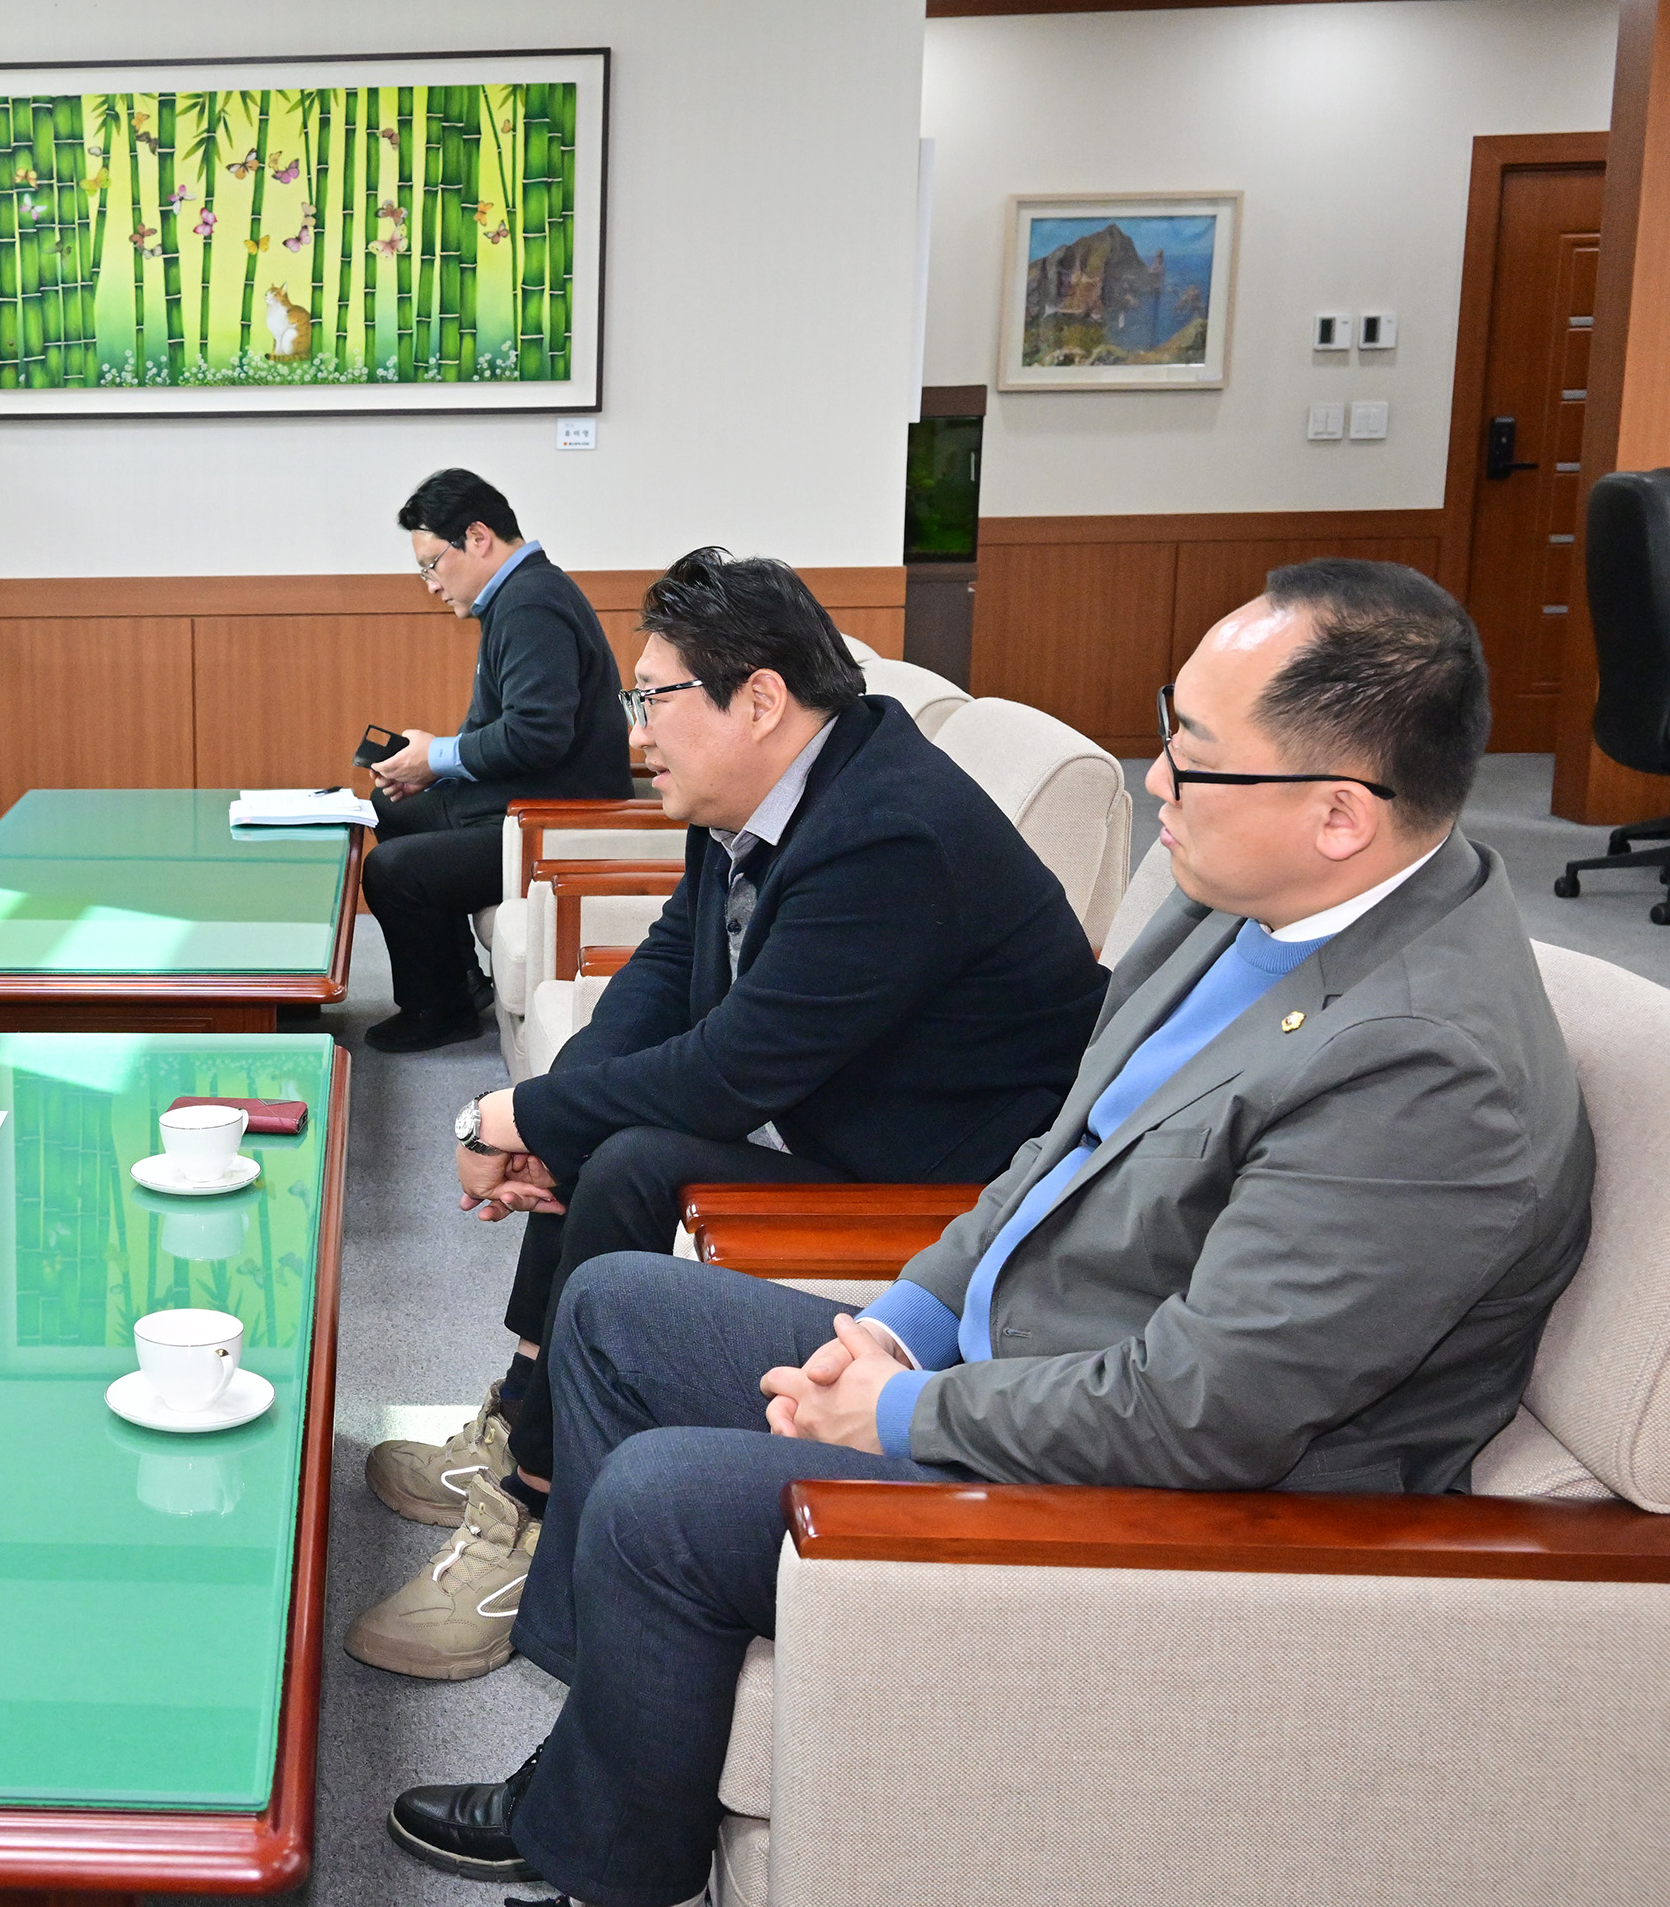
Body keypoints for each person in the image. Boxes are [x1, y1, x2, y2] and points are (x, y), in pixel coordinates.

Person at [385, 559, 1595, 1907]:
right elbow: (1053, 1155)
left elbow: (1207, 1414)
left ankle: (599, 1855)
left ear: (1336, 813)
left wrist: (906, 1417)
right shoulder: (1237, 906)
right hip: (1025, 1352)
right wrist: (899, 1319)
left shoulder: (1427, 1069)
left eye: (1192, 757)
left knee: (664, 1502)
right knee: (616, 1309)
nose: (1152, 783)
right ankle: (606, 1783)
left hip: (1169, 1492)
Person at [346, 548, 1105, 1682]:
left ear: (760, 698)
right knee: (603, 1129)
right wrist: (543, 1121)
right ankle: (524, 1408)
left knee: (635, 1151)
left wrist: (503, 1113)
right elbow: (661, 973)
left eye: (653, 698)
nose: (636, 730)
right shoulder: (765, 788)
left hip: (948, 1183)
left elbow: (731, 1071)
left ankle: (537, 1504)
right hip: (847, 1110)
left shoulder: (888, 833)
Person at [362, 468, 630, 1053]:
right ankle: (458, 982)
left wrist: (437, 756)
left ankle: (440, 1011)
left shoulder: (532, 603)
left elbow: (537, 736)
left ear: (478, 538)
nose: (430, 583)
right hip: (523, 802)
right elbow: (506, 725)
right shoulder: (524, 594)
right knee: (388, 811)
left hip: (555, 821)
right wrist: (433, 767)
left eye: (432, 563)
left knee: (392, 872)